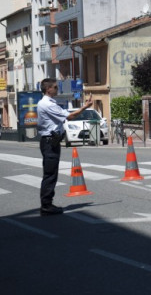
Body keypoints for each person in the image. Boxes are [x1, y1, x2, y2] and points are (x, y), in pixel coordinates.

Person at [37, 78, 94, 216]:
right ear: (48, 89)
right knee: (50, 175)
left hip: (51, 141)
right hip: (50, 142)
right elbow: (69, 116)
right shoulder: (47, 104)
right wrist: (85, 107)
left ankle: (47, 204)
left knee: (51, 173)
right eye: (55, 87)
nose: (57, 89)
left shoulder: (48, 103)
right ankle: (46, 205)